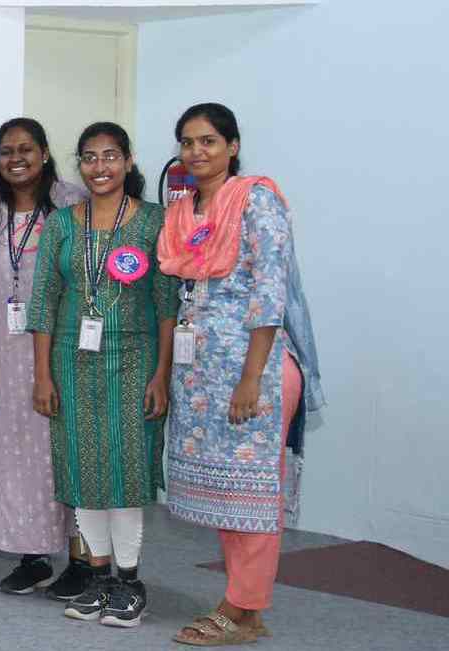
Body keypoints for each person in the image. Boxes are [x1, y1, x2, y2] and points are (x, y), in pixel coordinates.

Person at [160, 103, 323, 647]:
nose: (196, 152)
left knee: (252, 492)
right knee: (230, 495)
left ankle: (239, 607)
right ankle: (248, 608)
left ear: (232, 146)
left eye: (208, 141)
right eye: (187, 142)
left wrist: (253, 378)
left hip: (257, 369)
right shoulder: (183, 210)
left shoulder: (257, 200)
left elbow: (269, 293)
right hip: (202, 373)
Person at [23, 121, 174, 626]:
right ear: (79, 164)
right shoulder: (63, 223)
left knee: (125, 472)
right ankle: (100, 577)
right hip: (70, 358)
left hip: (135, 358)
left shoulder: (155, 221)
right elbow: (43, 301)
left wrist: (162, 374)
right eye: (89, 157)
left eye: (111, 156)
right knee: (82, 470)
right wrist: (42, 375)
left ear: (129, 161)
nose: (100, 166)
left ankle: (130, 583)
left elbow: (167, 304)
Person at [0, 117, 93, 597]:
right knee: (16, 459)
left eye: (26, 149)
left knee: (65, 454)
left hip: (63, 352)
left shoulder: (73, 204)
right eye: (7, 151)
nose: (17, 159)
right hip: (4, 358)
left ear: (45, 153)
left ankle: (81, 559)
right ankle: (32, 555)